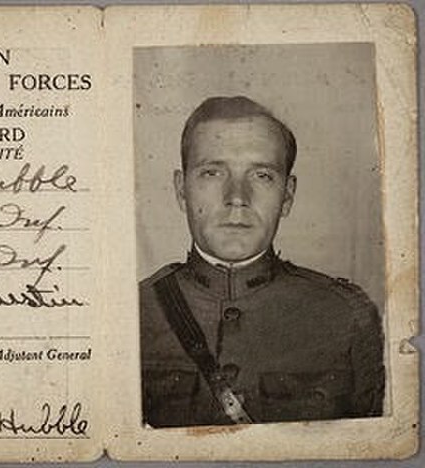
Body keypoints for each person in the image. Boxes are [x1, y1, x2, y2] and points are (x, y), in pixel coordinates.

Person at [139, 96, 385, 427]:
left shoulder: (348, 317)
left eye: (262, 176)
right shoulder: (132, 314)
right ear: (182, 190)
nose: (237, 197)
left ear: (287, 196)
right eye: (212, 172)